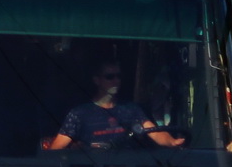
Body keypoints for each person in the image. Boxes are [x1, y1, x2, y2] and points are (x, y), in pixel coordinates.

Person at [50, 62, 185, 150]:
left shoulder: (131, 110)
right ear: (97, 80)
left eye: (118, 76)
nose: (116, 81)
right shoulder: (79, 114)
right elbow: (56, 150)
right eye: (110, 77)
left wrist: (172, 141)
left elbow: (155, 133)